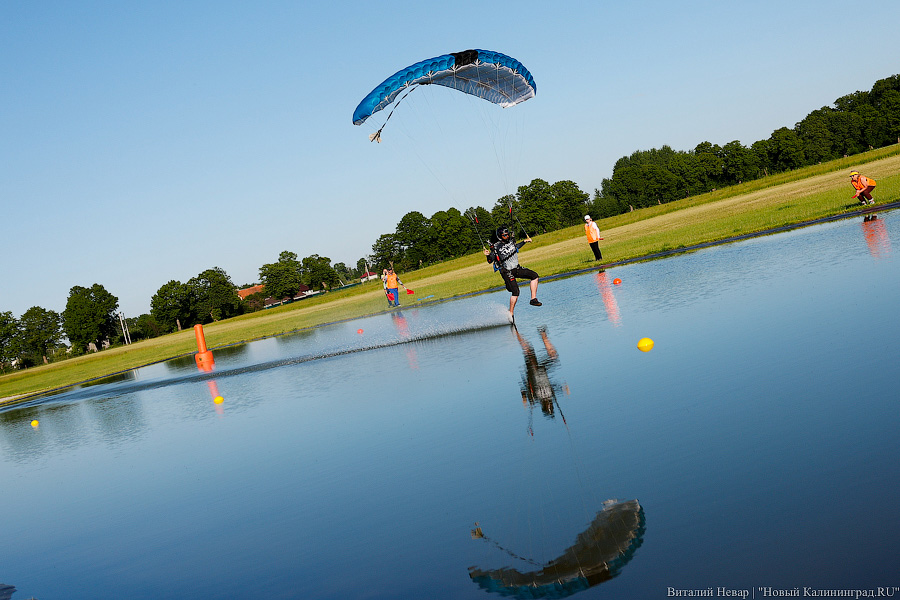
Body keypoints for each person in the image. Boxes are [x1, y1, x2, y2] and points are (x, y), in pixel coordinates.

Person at [485, 225, 541, 317]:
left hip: (516, 268)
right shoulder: (496, 247)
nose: (507, 237)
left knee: (534, 276)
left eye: (507, 235)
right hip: (506, 271)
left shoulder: (511, 242)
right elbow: (490, 260)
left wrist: (524, 241)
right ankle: (510, 314)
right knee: (515, 291)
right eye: (504, 235)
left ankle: (533, 299)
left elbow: (516, 247)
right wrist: (487, 255)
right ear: (500, 236)